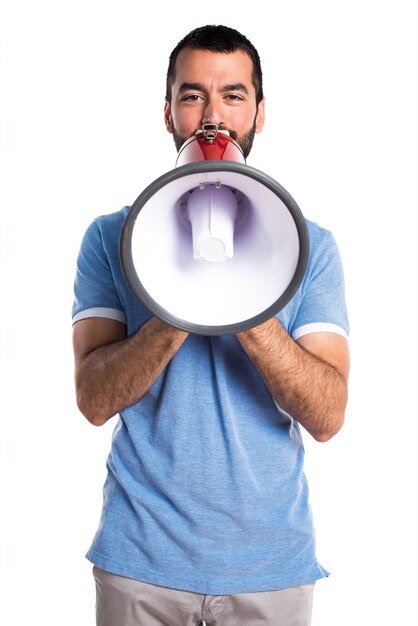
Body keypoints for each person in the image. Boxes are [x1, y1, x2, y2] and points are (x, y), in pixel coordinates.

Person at [72, 24, 350, 626]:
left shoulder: (311, 247)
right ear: (168, 110)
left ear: (260, 111)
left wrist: (245, 300)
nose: (212, 116)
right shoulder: (110, 238)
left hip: (269, 568)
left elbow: (328, 415)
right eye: (193, 95)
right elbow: (93, 401)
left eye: (234, 95)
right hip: (140, 561)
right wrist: (176, 303)